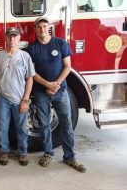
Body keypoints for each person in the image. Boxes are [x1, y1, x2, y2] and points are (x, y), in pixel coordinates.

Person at [26, 16, 86, 173]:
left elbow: (67, 66)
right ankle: (48, 153)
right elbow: (32, 73)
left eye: (45, 26)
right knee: (44, 125)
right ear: (35, 30)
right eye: (39, 27)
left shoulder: (60, 44)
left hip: (61, 91)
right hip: (40, 92)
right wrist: (47, 84)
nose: (42, 29)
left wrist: (56, 84)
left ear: (49, 28)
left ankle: (70, 157)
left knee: (66, 124)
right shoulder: (32, 49)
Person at [0, 27, 35, 166]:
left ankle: (22, 153)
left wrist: (26, 99)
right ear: (6, 38)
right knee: (2, 127)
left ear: (19, 38)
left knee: (21, 128)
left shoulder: (25, 56)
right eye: (9, 37)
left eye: (15, 37)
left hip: (20, 99)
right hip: (3, 98)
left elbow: (30, 79)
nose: (12, 39)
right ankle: (4, 151)